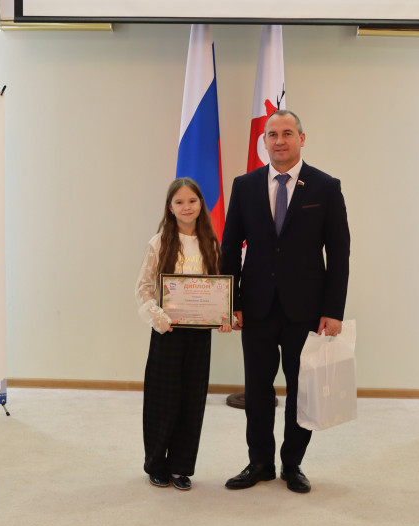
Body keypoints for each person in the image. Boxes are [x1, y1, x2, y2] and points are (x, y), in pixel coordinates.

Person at [220, 109, 351, 493]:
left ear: (301, 138)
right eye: (272, 134)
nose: (279, 140)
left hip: (306, 310)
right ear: (264, 141)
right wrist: (231, 301)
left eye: (287, 133)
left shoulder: (326, 187)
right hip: (256, 307)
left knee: (301, 391)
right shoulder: (245, 186)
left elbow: (338, 253)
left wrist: (333, 311)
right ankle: (259, 463)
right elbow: (230, 247)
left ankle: (292, 465)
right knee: (257, 390)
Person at [135, 177, 231, 491]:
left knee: (192, 399)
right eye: (179, 202)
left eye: (192, 201)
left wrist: (223, 315)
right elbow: (143, 287)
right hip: (168, 331)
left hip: (199, 335)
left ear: (201, 204)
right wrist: (158, 318)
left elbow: (218, 288)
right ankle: (156, 464)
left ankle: (181, 466)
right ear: (170, 207)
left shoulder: (211, 242)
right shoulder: (159, 242)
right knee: (163, 399)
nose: (186, 207)